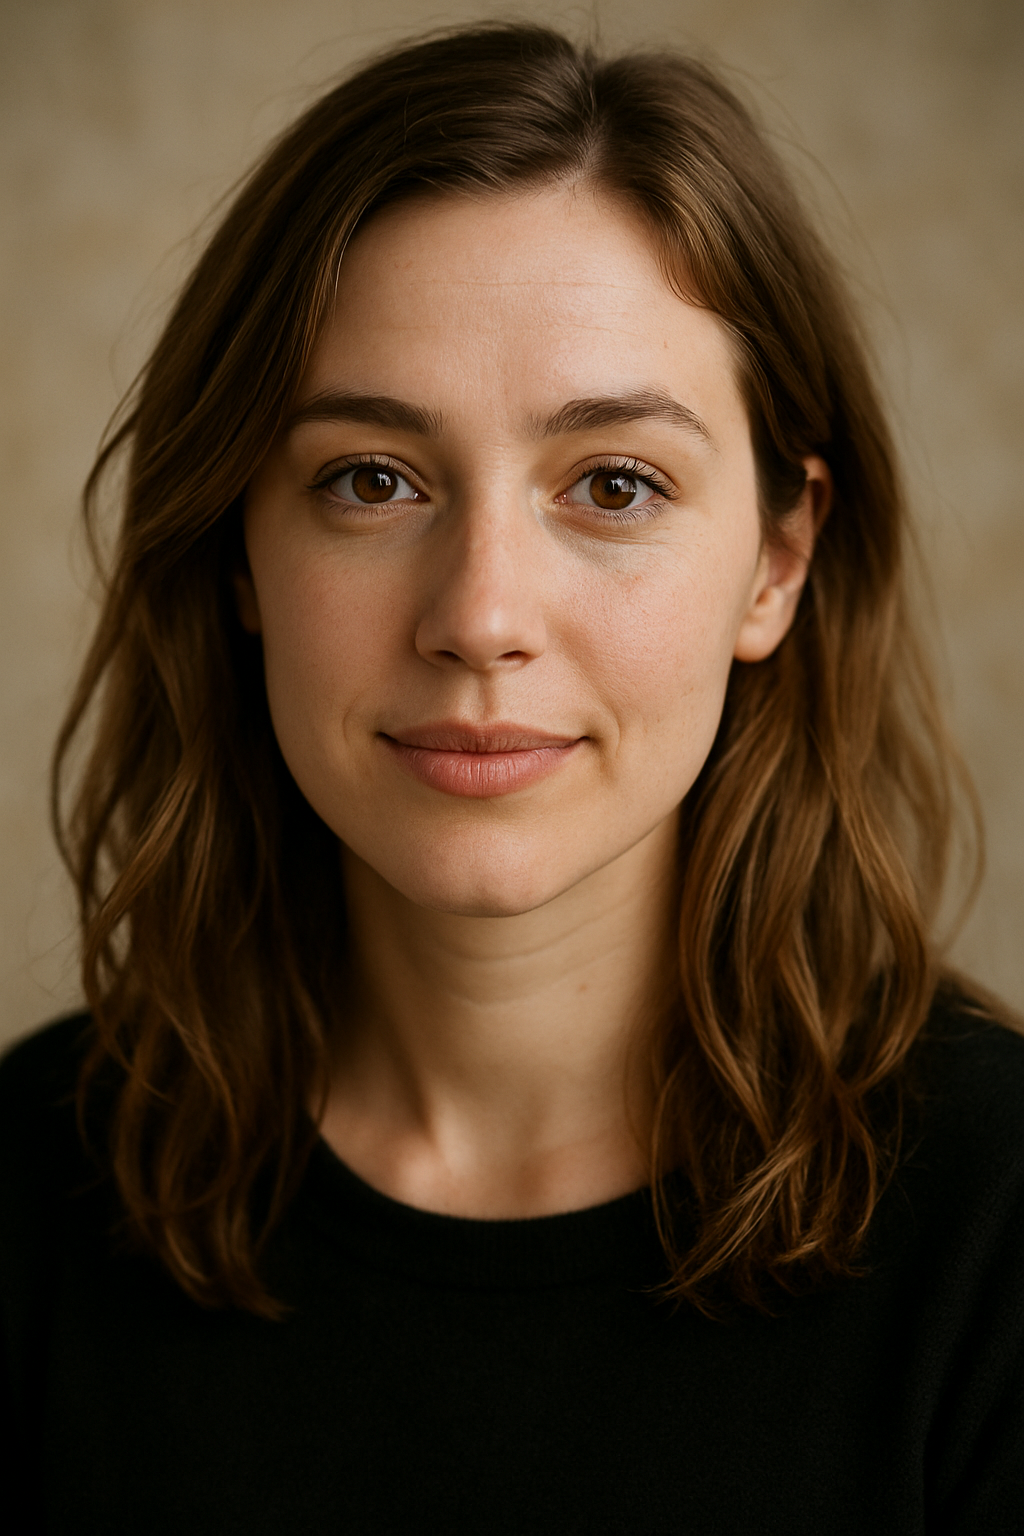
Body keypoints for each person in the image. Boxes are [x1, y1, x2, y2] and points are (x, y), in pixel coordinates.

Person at [1, 21, 1021, 1534]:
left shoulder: (999, 1233)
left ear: (779, 560)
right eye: (370, 480)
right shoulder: (28, 1196)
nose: (480, 614)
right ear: (239, 555)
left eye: (614, 484)